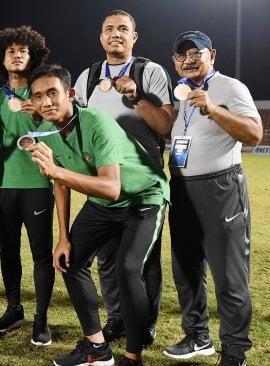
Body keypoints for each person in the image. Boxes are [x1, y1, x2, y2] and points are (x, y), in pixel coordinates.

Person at [26, 64, 169, 366]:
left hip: (143, 198)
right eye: (38, 97)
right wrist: (63, 238)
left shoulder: (96, 122)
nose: (46, 102)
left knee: (128, 269)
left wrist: (55, 171)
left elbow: (112, 187)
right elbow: (60, 184)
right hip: (103, 204)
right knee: (68, 262)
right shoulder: (48, 131)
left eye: (52, 93)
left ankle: (133, 357)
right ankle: (97, 349)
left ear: (71, 94)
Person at [73, 9, 174, 346]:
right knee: (107, 260)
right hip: (105, 185)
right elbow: (77, 127)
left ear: (135, 37)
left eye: (123, 29)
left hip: (142, 185)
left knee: (142, 263)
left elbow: (165, 125)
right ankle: (118, 319)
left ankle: (144, 325)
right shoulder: (87, 77)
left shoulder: (150, 72)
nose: (115, 33)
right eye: (108, 29)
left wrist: (135, 96)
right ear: (100, 37)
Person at [163, 31, 262, 366]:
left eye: (196, 52)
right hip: (181, 189)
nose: (188, 59)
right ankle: (197, 337)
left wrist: (213, 108)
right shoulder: (181, 92)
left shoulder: (230, 88)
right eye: (181, 55)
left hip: (220, 189)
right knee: (186, 271)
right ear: (174, 62)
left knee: (229, 276)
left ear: (212, 54)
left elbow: (254, 133)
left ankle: (234, 351)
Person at [0, 25, 55, 346]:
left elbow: (60, 131)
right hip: (4, 188)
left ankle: (41, 319)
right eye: (10, 50)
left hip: (38, 184)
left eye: (22, 50)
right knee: (8, 250)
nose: (16, 55)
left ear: (33, 57)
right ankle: (15, 309)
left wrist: (39, 115)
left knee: (41, 254)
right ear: (2, 57)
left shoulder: (44, 94)